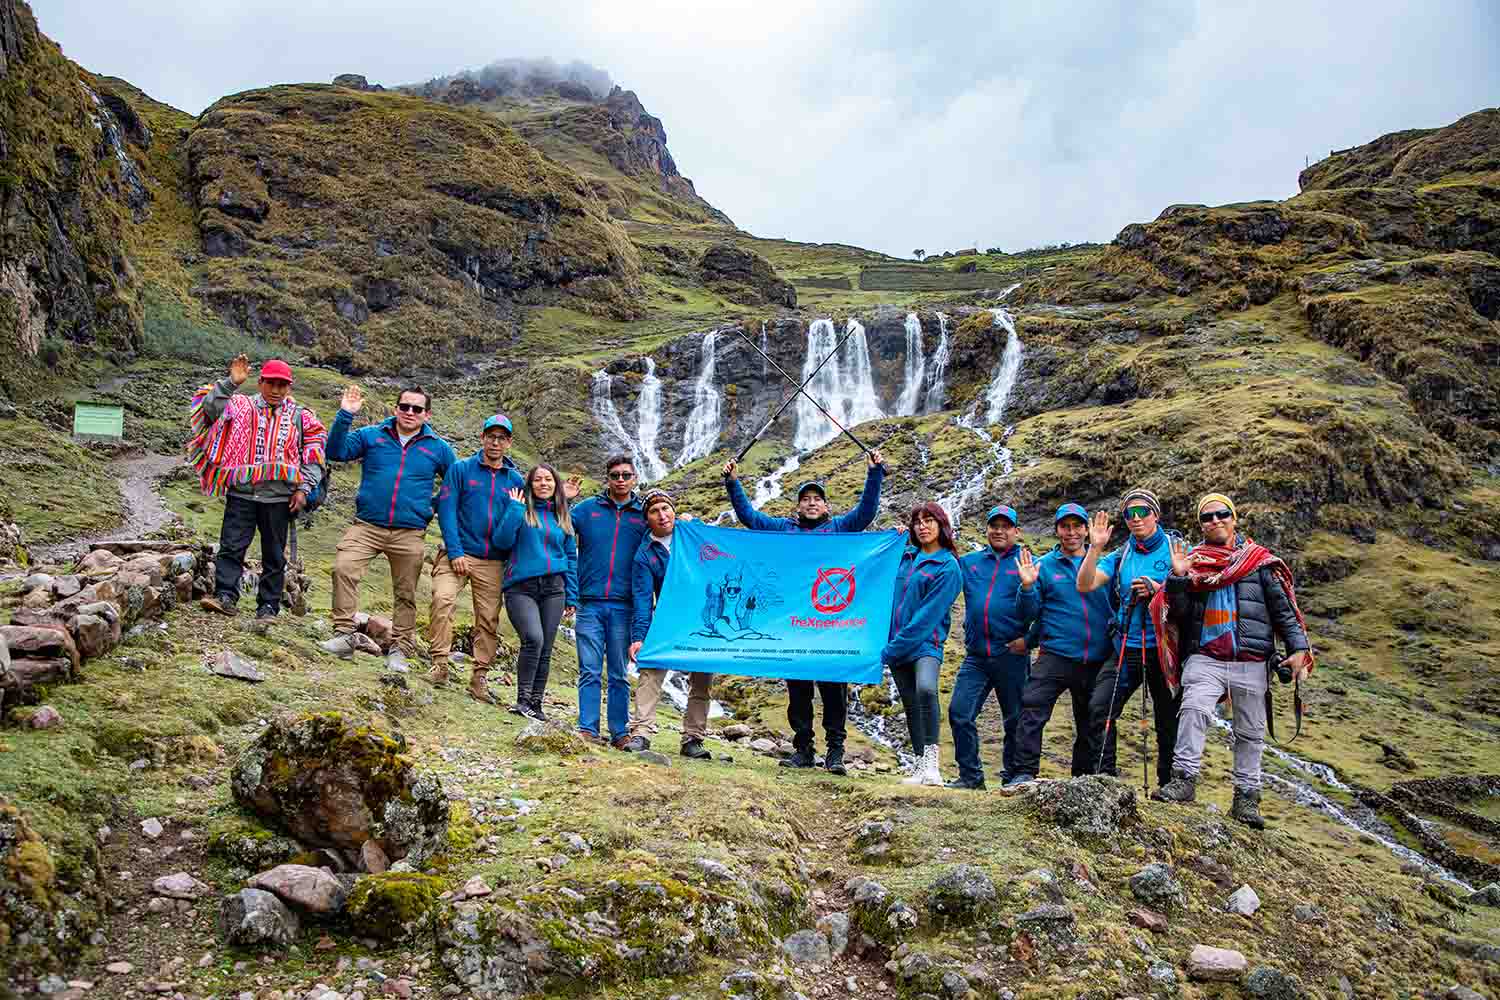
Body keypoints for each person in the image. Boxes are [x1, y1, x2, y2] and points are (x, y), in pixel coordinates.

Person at [721, 450, 887, 775]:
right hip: (794, 627)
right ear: (798, 506)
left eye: (817, 499)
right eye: (806, 499)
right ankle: (804, 750)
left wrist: (874, 474)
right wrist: (732, 483)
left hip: (831, 627)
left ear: (826, 505)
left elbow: (866, 512)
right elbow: (750, 518)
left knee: (834, 692)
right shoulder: (784, 528)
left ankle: (836, 753)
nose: (811, 503)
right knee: (798, 692)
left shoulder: (841, 528)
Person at [1153, 493, 1313, 828]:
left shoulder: (1260, 563)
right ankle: (1183, 780)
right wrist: (1179, 578)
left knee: (1251, 732)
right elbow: (1178, 616)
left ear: (1234, 517)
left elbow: (1284, 613)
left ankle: (1246, 800)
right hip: (1205, 657)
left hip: (1252, 660)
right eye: (1207, 517)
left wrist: (1299, 649)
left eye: (1221, 514)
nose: (1215, 521)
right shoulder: (1193, 562)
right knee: (1194, 708)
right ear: (1200, 525)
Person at [319, 385, 457, 672]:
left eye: (416, 409)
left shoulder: (438, 448)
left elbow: (453, 484)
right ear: (395, 409)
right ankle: (344, 636)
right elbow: (335, 451)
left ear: (426, 414)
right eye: (404, 407)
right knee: (343, 568)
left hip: (409, 532)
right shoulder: (372, 435)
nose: (409, 413)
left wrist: (432, 505)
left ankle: (400, 650)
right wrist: (346, 414)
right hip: (367, 525)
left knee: (405, 593)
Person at [190, 355, 326, 620]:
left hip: (279, 497)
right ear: (261, 382)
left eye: (282, 385)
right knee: (231, 546)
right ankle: (226, 595)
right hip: (242, 492)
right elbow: (208, 412)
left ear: (290, 387)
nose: (276, 390)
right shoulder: (239, 405)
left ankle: (268, 606)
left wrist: (303, 489)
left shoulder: (302, 417)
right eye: (271, 384)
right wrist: (231, 383)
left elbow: (313, 456)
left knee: (274, 555)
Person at [1075, 488, 1181, 787]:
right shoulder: (1121, 554)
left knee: (1167, 720)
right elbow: (1085, 584)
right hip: (1126, 646)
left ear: (1155, 515)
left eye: (1142, 512)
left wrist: (1160, 589)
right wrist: (1094, 548)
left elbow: (1192, 588)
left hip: (1163, 648)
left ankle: (1168, 786)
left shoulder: (1176, 549)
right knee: (1100, 707)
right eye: (1129, 514)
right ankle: (1104, 780)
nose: (1135, 519)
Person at [1010, 503, 1115, 787]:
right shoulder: (1043, 566)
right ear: (1056, 530)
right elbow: (1028, 614)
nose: (1071, 532)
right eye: (1065, 527)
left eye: (1077, 526)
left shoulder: (1104, 564)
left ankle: (1086, 780)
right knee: (1032, 708)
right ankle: (1023, 773)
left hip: (1097, 656)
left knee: (1093, 718)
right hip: (1055, 652)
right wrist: (1028, 587)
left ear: (1086, 529)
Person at [428, 414, 525, 700]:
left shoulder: (515, 479)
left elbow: (519, 521)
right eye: (491, 436)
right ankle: (440, 664)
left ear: (509, 443)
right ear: (482, 438)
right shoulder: (460, 470)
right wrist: (456, 552)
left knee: (488, 619)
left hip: (493, 562)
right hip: (456, 554)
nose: (495, 442)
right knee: (442, 600)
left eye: (501, 438)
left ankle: (480, 677)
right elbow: (446, 511)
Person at [946, 505, 1040, 790]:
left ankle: (1012, 777)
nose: (999, 531)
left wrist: (1026, 587)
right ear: (987, 529)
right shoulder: (970, 562)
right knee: (959, 712)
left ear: (1016, 531)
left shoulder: (1028, 563)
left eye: (1006, 526)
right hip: (976, 655)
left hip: (1010, 654)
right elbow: (937, 560)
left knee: (1014, 719)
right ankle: (971, 777)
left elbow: (1034, 612)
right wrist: (905, 544)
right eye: (994, 526)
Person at [625, 488, 714, 759]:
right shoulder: (644, 555)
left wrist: (695, 524)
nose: (662, 515)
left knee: (702, 678)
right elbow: (642, 599)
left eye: (666, 508)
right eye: (654, 511)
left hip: (701, 619)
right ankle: (641, 733)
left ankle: (693, 739)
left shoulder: (693, 535)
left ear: (674, 511)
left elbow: (721, 551)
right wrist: (638, 636)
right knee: (650, 671)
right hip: (665, 620)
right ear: (647, 518)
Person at [571, 455, 649, 748]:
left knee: (618, 672)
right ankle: (588, 729)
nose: (620, 480)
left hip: (624, 605)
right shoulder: (586, 510)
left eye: (625, 475)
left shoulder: (644, 513)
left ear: (634, 478)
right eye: (615, 475)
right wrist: (564, 501)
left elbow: (669, 531)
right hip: (589, 603)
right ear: (607, 477)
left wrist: (688, 522)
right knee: (589, 669)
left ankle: (619, 733)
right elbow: (557, 526)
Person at [884, 502, 963, 787]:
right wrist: (895, 538)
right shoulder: (906, 557)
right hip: (896, 645)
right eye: (918, 521)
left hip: (924, 645)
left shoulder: (948, 566)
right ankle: (919, 767)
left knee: (926, 690)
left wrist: (891, 650)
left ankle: (932, 766)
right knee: (910, 704)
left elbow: (927, 617)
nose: (923, 526)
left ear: (942, 525)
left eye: (930, 520)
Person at [491, 464, 578, 720]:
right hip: (521, 587)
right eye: (537, 479)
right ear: (530, 485)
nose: (543, 483)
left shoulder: (563, 516)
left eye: (548, 479)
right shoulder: (520, 510)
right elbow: (502, 542)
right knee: (533, 639)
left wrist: (572, 594)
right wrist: (515, 509)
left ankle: (536, 704)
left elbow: (570, 558)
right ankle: (523, 700)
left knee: (547, 646)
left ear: (555, 485)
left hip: (554, 589)